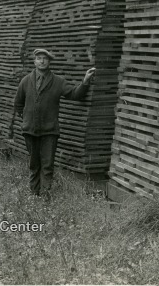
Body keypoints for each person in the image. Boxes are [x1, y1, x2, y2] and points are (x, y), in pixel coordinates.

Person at [8, 47, 95, 200]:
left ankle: (45, 197)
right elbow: (18, 103)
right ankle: (33, 195)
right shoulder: (26, 81)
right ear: (34, 61)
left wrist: (85, 81)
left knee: (47, 165)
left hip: (49, 131)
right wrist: (26, 119)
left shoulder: (57, 81)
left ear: (49, 62)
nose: (42, 61)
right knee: (34, 164)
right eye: (39, 58)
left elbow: (75, 94)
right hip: (29, 130)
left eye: (45, 58)